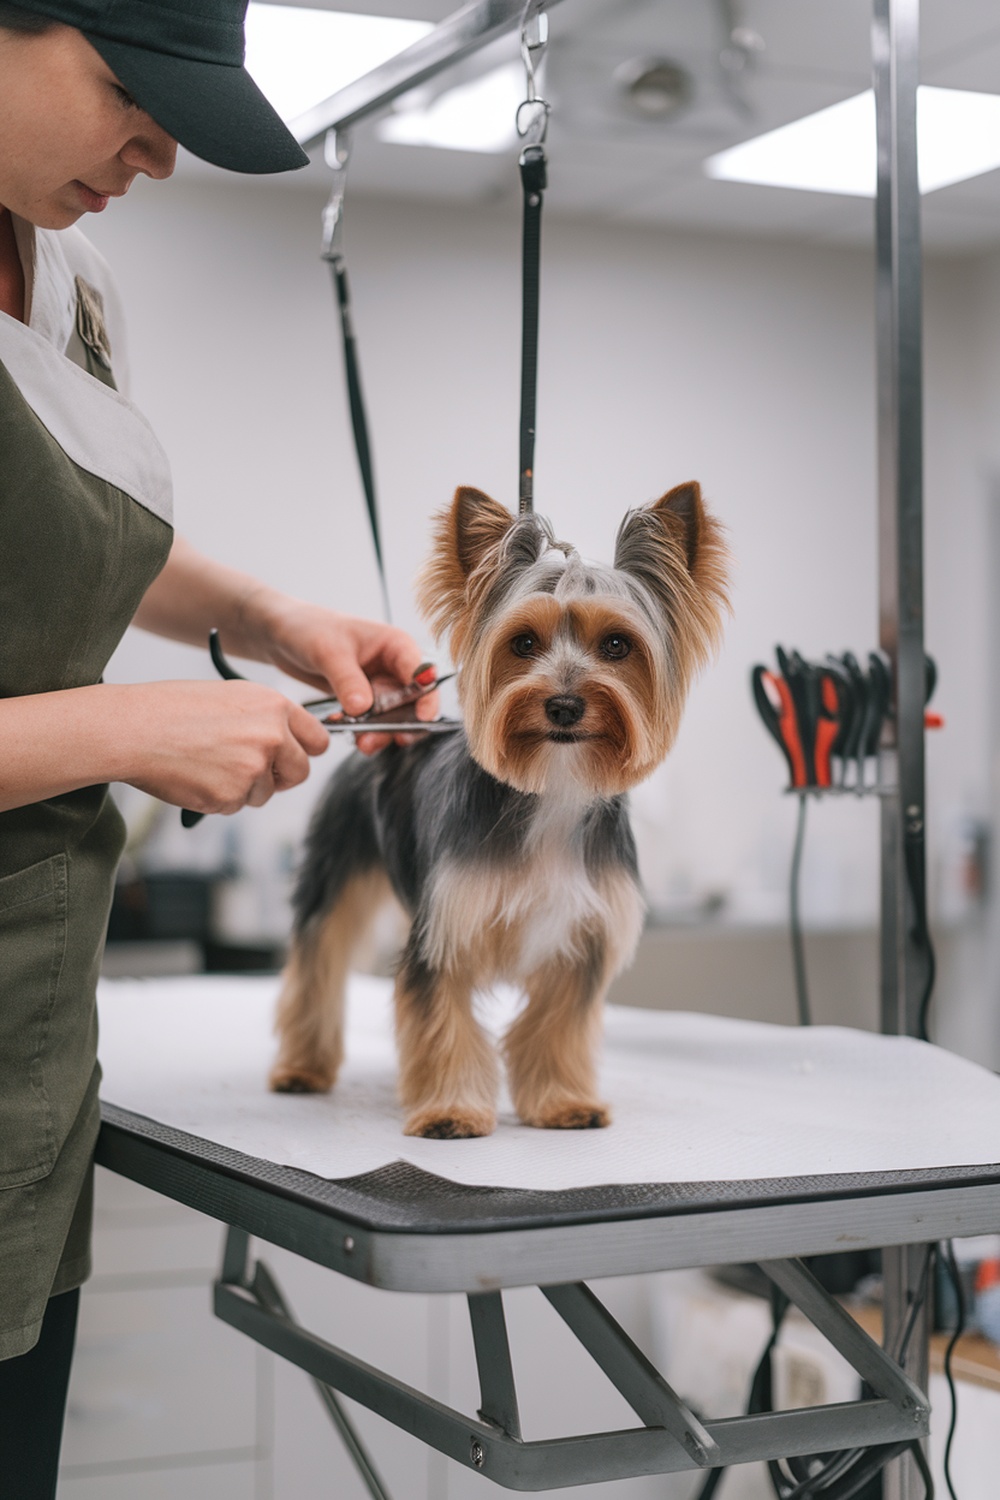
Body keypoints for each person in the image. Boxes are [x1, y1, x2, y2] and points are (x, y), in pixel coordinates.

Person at [0, 3, 436, 1492]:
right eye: (127, 90)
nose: (159, 155)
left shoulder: (67, 271)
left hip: (29, 1027)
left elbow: (73, 532)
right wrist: (129, 727)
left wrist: (260, 613)